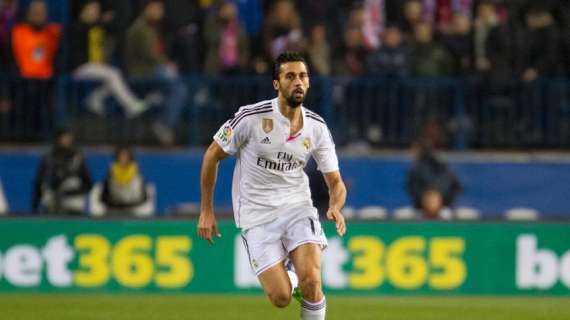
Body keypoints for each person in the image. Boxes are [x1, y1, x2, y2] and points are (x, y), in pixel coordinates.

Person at [198, 52, 347, 320]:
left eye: (302, 76)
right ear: (276, 84)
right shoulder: (251, 118)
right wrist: (206, 210)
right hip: (256, 216)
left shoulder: (317, 127)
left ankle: (300, 276)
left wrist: (336, 205)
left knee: (312, 281)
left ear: (309, 82)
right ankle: (290, 275)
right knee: (281, 297)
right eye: (290, 76)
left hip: (297, 207)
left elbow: (336, 182)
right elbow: (212, 155)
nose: (298, 82)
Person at [69, 1, 153, 118]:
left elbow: (113, 29)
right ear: (83, 12)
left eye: (96, 10)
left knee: (116, 76)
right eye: (92, 10)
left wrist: (105, 21)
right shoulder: (76, 28)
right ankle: (132, 105)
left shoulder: (98, 27)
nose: (95, 13)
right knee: (113, 74)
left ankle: (95, 98)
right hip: (78, 67)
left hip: (92, 66)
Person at [125, 0, 188, 145]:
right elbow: (149, 54)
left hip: (152, 70)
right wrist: (167, 64)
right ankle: (163, 125)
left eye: (160, 9)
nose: (159, 12)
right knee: (179, 88)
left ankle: (157, 106)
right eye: (155, 8)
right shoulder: (139, 28)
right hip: (142, 72)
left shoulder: (155, 28)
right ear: (147, 9)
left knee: (178, 87)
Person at [32, 128, 93, 215]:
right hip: (52, 200)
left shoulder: (77, 158)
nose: (65, 141)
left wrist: (74, 190)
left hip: (73, 202)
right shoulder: (49, 158)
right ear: (57, 139)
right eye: (63, 138)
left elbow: (88, 182)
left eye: (68, 138)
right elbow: (39, 181)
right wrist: (35, 205)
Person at [406, 139, 462, 219]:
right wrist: (425, 199)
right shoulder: (415, 170)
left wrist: (440, 199)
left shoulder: (441, 167)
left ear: (421, 150)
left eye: (415, 149)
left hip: (443, 208)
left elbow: (455, 186)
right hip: (420, 210)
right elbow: (412, 189)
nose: (412, 152)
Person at [100, 146, 149, 214]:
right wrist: (114, 204)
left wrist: (132, 204)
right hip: (115, 210)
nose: (122, 158)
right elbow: (103, 196)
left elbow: (145, 196)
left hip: (134, 210)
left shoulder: (137, 173)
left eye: (125, 156)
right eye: (120, 156)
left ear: (130, 158)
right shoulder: (111, 172)